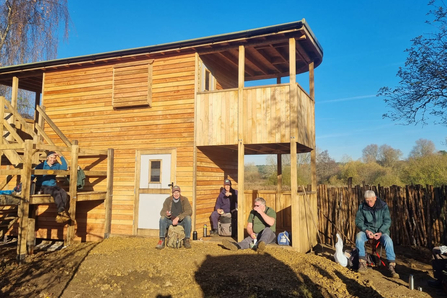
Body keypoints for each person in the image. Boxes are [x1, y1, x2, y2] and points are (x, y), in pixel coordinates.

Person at [355, 190, 399, 278]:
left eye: (370, 200)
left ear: (375, 198)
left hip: (381, 231)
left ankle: (391, 265)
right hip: (368, 231)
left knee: (388, 240)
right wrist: (366, 230)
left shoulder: (383, 206)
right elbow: (358, 221)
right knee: (359, 237)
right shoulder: (362, 207)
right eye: (367, 200)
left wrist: (381, 232)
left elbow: (387, 221)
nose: (368, 202)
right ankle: (362, 262)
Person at [32, 151, 70, 223]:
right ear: (47, 158)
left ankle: (62, 211)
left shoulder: (56, 166)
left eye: (54, 158)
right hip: (43, 186)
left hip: (53, 185)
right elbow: (32, 174)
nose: (53, 159)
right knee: (57, 193)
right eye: (51, 157)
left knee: (63, 193)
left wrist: (61, 156)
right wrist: (30, 181)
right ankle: (60, 211)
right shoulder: (41, 166)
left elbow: (64, 167)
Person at [156, 185, 192, 249]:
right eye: (174, 193)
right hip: (170, 221)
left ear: (180, 193)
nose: (176, 194)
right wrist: (167, 214)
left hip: (181, 221)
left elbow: (189, 211)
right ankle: (162, 240)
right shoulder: (168, 200)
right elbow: (162, 212)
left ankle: (186, 239)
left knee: (188, 219)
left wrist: (178, 218)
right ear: (172, 193)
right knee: (162, 219)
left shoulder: (184, 200)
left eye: (177, 192)